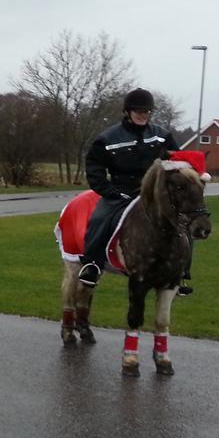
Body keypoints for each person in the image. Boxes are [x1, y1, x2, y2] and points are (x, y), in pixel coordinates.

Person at [77, 88, 182, 290]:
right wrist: (108, 191)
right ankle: (92, 264)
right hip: (120, 192)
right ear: (128, 112)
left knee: (181, 222)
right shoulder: (107, 138)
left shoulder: (162, 136)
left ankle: (181, 272)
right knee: (99, 218)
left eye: (147, 112)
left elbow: (176, 160)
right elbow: (94, 167)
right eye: (138, 111)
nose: (143, 115)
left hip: (154, 192)